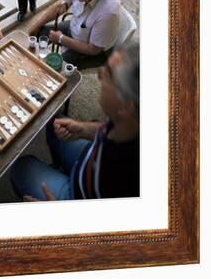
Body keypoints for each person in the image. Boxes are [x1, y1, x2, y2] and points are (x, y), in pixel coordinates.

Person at [10, 42, 140, 201]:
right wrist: (84, 129)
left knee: (20, 168)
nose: (99, 73)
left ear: (125, 106)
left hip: (78, 197)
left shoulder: (124, 181)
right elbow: (108, 127)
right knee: (55, 124)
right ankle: (60, 167)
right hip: (90, 157)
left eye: (108, 74)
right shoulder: (131, 123)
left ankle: (62, 178)